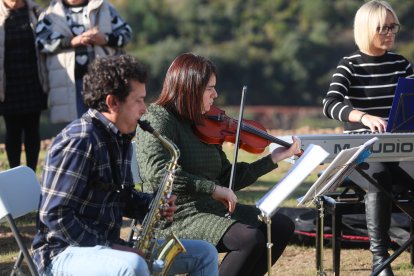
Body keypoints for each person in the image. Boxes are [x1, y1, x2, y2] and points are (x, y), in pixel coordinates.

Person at [31, 55, 219, 276]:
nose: (144, 109)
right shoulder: (79, 140)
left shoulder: (119, 138)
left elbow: (122, 197)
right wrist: (111, 248)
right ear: (112, 102)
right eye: (138, 100)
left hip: (105, 247)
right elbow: (55, 215)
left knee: (205, 252)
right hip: (61, 254)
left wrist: (153, 206)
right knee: (132, 265)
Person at [135, 52, 301, 276]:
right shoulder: (158, 118)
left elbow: (226, 178)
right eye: (209, 88)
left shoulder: (204, 123)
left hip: (211, 210)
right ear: (190, 88)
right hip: (176, 216)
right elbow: (157, 174)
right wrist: (212, 189)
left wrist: (274, 158)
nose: (216, 94)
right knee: (248, 239)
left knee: (280, 226)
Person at [322, 1, 414, 275]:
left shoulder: (401, 63)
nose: (390, 33)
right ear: (366, 30)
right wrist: (363, 117)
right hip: (362, 155)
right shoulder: (349, 65)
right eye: (383, 28)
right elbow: (330, 103)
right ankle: (380, 258)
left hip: (400, 150)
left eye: (393, 27)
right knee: (380, 173)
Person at [35, 0, 132, 123]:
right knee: (78, 127)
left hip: (103, 81)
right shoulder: (50, 13)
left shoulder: (104, 8)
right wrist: (70, 42)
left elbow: (126, 34)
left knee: (105, 124)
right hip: (69, 83)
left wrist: (106, 38)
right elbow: (40, 42)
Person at [0, 0, 48, 171]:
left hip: (33, 80)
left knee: (32, 130)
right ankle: (14, 173)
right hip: (7, 83)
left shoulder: (36, 12)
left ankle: (31, 172)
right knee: (12, 130)